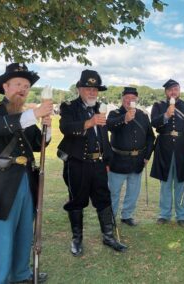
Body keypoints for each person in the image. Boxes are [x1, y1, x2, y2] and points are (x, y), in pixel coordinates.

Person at [0, 63, 53, 283]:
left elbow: (40, 144)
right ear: (5, 86)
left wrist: (47, 127)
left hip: (26, 178)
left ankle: (21, 274)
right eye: (18, 84)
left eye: (27, 86)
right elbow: (0, 127)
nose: (23, 89)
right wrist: (34, 113)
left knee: (23, 232)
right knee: (1, 235)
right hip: (2, 181)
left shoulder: (25, 115)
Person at [58, 70, 127, 255]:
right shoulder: (69, 107)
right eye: (88, 88)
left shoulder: (101, 108)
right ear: (79, 88)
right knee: (77, 201)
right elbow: (65, 128)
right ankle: (77, 239)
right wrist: (89, 123)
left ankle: (108, 237)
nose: (92, 92)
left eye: (95, 89)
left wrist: (108, 159)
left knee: (103, 199)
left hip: (98, 164)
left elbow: (103, 136)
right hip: (77, 164)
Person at [150, 79, 184, 227]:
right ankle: (164, 214)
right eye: (170, 89)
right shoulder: (158, 106)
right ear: (166, 92)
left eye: (175, 89)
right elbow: (154, 123)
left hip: (182, 149)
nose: (173, 92)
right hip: (164, 148)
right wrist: (165, 115)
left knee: (181, 183)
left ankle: (182, 215)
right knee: (165, 184)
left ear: (179, 90)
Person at [107, 87, 155, 226]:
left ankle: (127, 215)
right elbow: (109, 126)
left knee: (133, 192)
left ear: (137, 100)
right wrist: (124, 118)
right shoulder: (114, 113)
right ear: (122, 99)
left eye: (133, 98)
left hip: (138, 160)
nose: (129, 101)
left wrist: (147, 156)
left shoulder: (143, 115)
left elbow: (150, 138)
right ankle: (110, 218)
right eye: (127, 98)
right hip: (118, 160)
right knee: (114, 192)